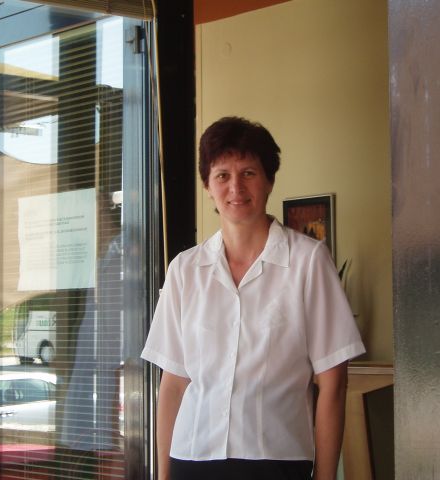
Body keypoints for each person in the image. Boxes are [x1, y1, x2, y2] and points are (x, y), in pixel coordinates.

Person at [141, 116, 365, 480]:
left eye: (248, 173)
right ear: (207, 185)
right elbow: (173, 384)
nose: (236, 187)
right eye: (222, 175)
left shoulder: (308, 261)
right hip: (191, 458)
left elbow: (333, 383)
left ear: (269, 180)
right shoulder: (184, 269)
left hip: (275, 462)